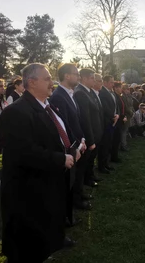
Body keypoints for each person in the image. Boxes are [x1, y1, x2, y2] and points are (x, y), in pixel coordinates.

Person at [0, 63, 78, 263]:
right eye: (47, 79)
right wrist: (61, 158)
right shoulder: (16, 112)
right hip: (28, 191)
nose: (52, 83)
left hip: (46, 183)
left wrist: (72, 150)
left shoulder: (46, 106)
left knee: (41, 237)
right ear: (32, 83)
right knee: (26, 246)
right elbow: (24, 152)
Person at [50, 64, 90, 216]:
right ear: (67, 76)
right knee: (71, 180)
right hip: (70, 147)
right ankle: (71, 206)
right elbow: (64, 125)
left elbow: (76, 121)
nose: (78, 77)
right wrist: (77, 145)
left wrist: (83, 140)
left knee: (78, 175)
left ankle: (77, 198)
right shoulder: (59, 96)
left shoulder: (69, 93)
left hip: (79, 143)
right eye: (76, 74)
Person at [99, 75, 119, 171]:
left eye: (113, 82)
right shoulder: (102, 92)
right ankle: (102, 165)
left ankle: (106, 163)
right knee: (105, 144)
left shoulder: (112, 93)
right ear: (105, 82)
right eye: (111, 82)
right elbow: (105, 108)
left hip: (113, 121)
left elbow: (116, 105)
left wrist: (117, 114)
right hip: (107, 121)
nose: (113, 84)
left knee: (109, 143)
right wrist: (113, 116)